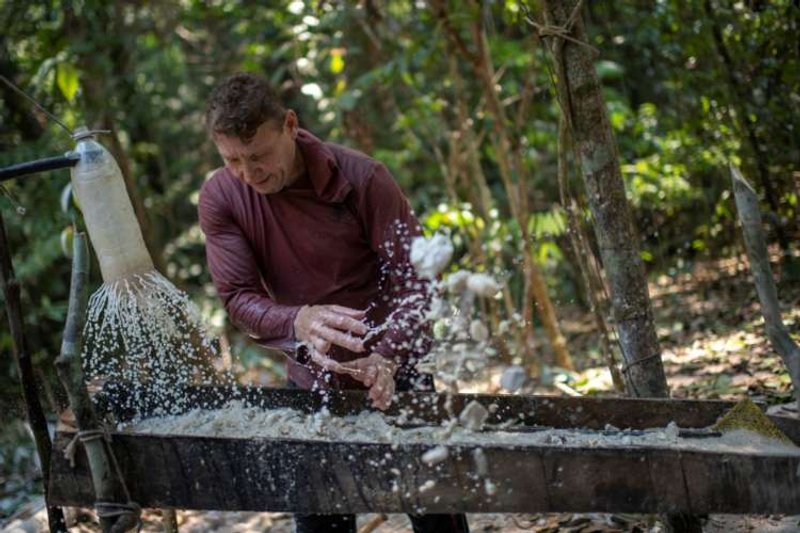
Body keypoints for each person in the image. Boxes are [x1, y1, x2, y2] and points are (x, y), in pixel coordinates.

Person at [198, 73, 469, 533]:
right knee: (320, 524)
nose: (249, 173)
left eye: (259, 156)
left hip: (395, 369)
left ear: (289, 125)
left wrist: (388, 353)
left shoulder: (362, 178)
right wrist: (298, 320)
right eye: (233, 160)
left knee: (435, 514)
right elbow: (239, 298)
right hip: (310, 380)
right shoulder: (222, 196)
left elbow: (419, 279)